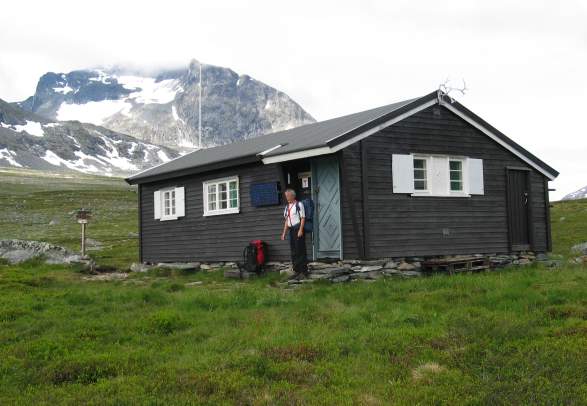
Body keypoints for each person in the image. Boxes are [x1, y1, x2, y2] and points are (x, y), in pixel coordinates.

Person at [280, 188, 309, 278]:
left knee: (300, 250)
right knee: (294, 251)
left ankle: (304, 272)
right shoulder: (287, 207)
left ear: (293, 196)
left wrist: (300, 230)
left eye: (288, 196)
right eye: (286, 196)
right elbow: (286, 221)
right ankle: (296, 270)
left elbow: (303, 218)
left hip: (298, 229)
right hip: (291, 231)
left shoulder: (299, 204)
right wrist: (284, 233)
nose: (287, 198)